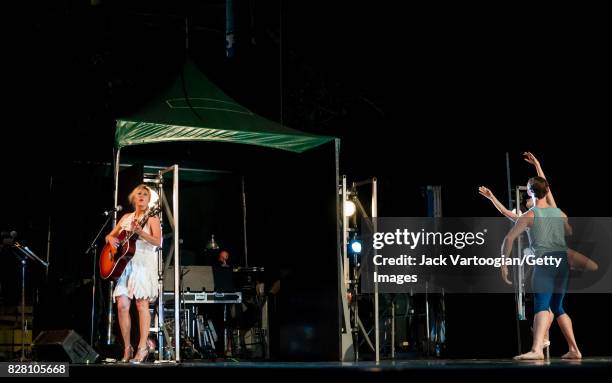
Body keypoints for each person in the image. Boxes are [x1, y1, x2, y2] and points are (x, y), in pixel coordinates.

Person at [501, 176, 581, 360]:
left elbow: (509, 238)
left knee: (542, 305)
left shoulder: (530, 215)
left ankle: (537, 350)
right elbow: (568, 230)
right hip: (562, 262)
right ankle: (574, 349)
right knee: (558, 307)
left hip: (546, 261)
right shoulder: (558, 212)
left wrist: (503, 263)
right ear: (547, 190)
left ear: (529, 191)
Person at [479, 152, 598, 272]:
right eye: (527, 200)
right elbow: (504, 212)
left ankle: (567, 267)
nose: (528, 199)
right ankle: (541, 259)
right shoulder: (527, 218)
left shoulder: (552, 209)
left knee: (593, 267)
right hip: (545, 255)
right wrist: (491, 197)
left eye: (529, 197)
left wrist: (537, 165)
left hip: (559, 252)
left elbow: (546, 186)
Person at [105, 184, 161, 363]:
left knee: (141, 304)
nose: (142, 197)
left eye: (145, 194)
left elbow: (158, 241)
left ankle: (142, 347)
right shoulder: (126, 217)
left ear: (148, 199)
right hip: (124, 265)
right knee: (121, 305)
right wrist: (111, 238)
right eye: (139, 194)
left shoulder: (151, 218)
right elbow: (110, 236)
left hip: (143, 263)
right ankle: (127, 347)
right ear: (133, 198)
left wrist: (139, 233)